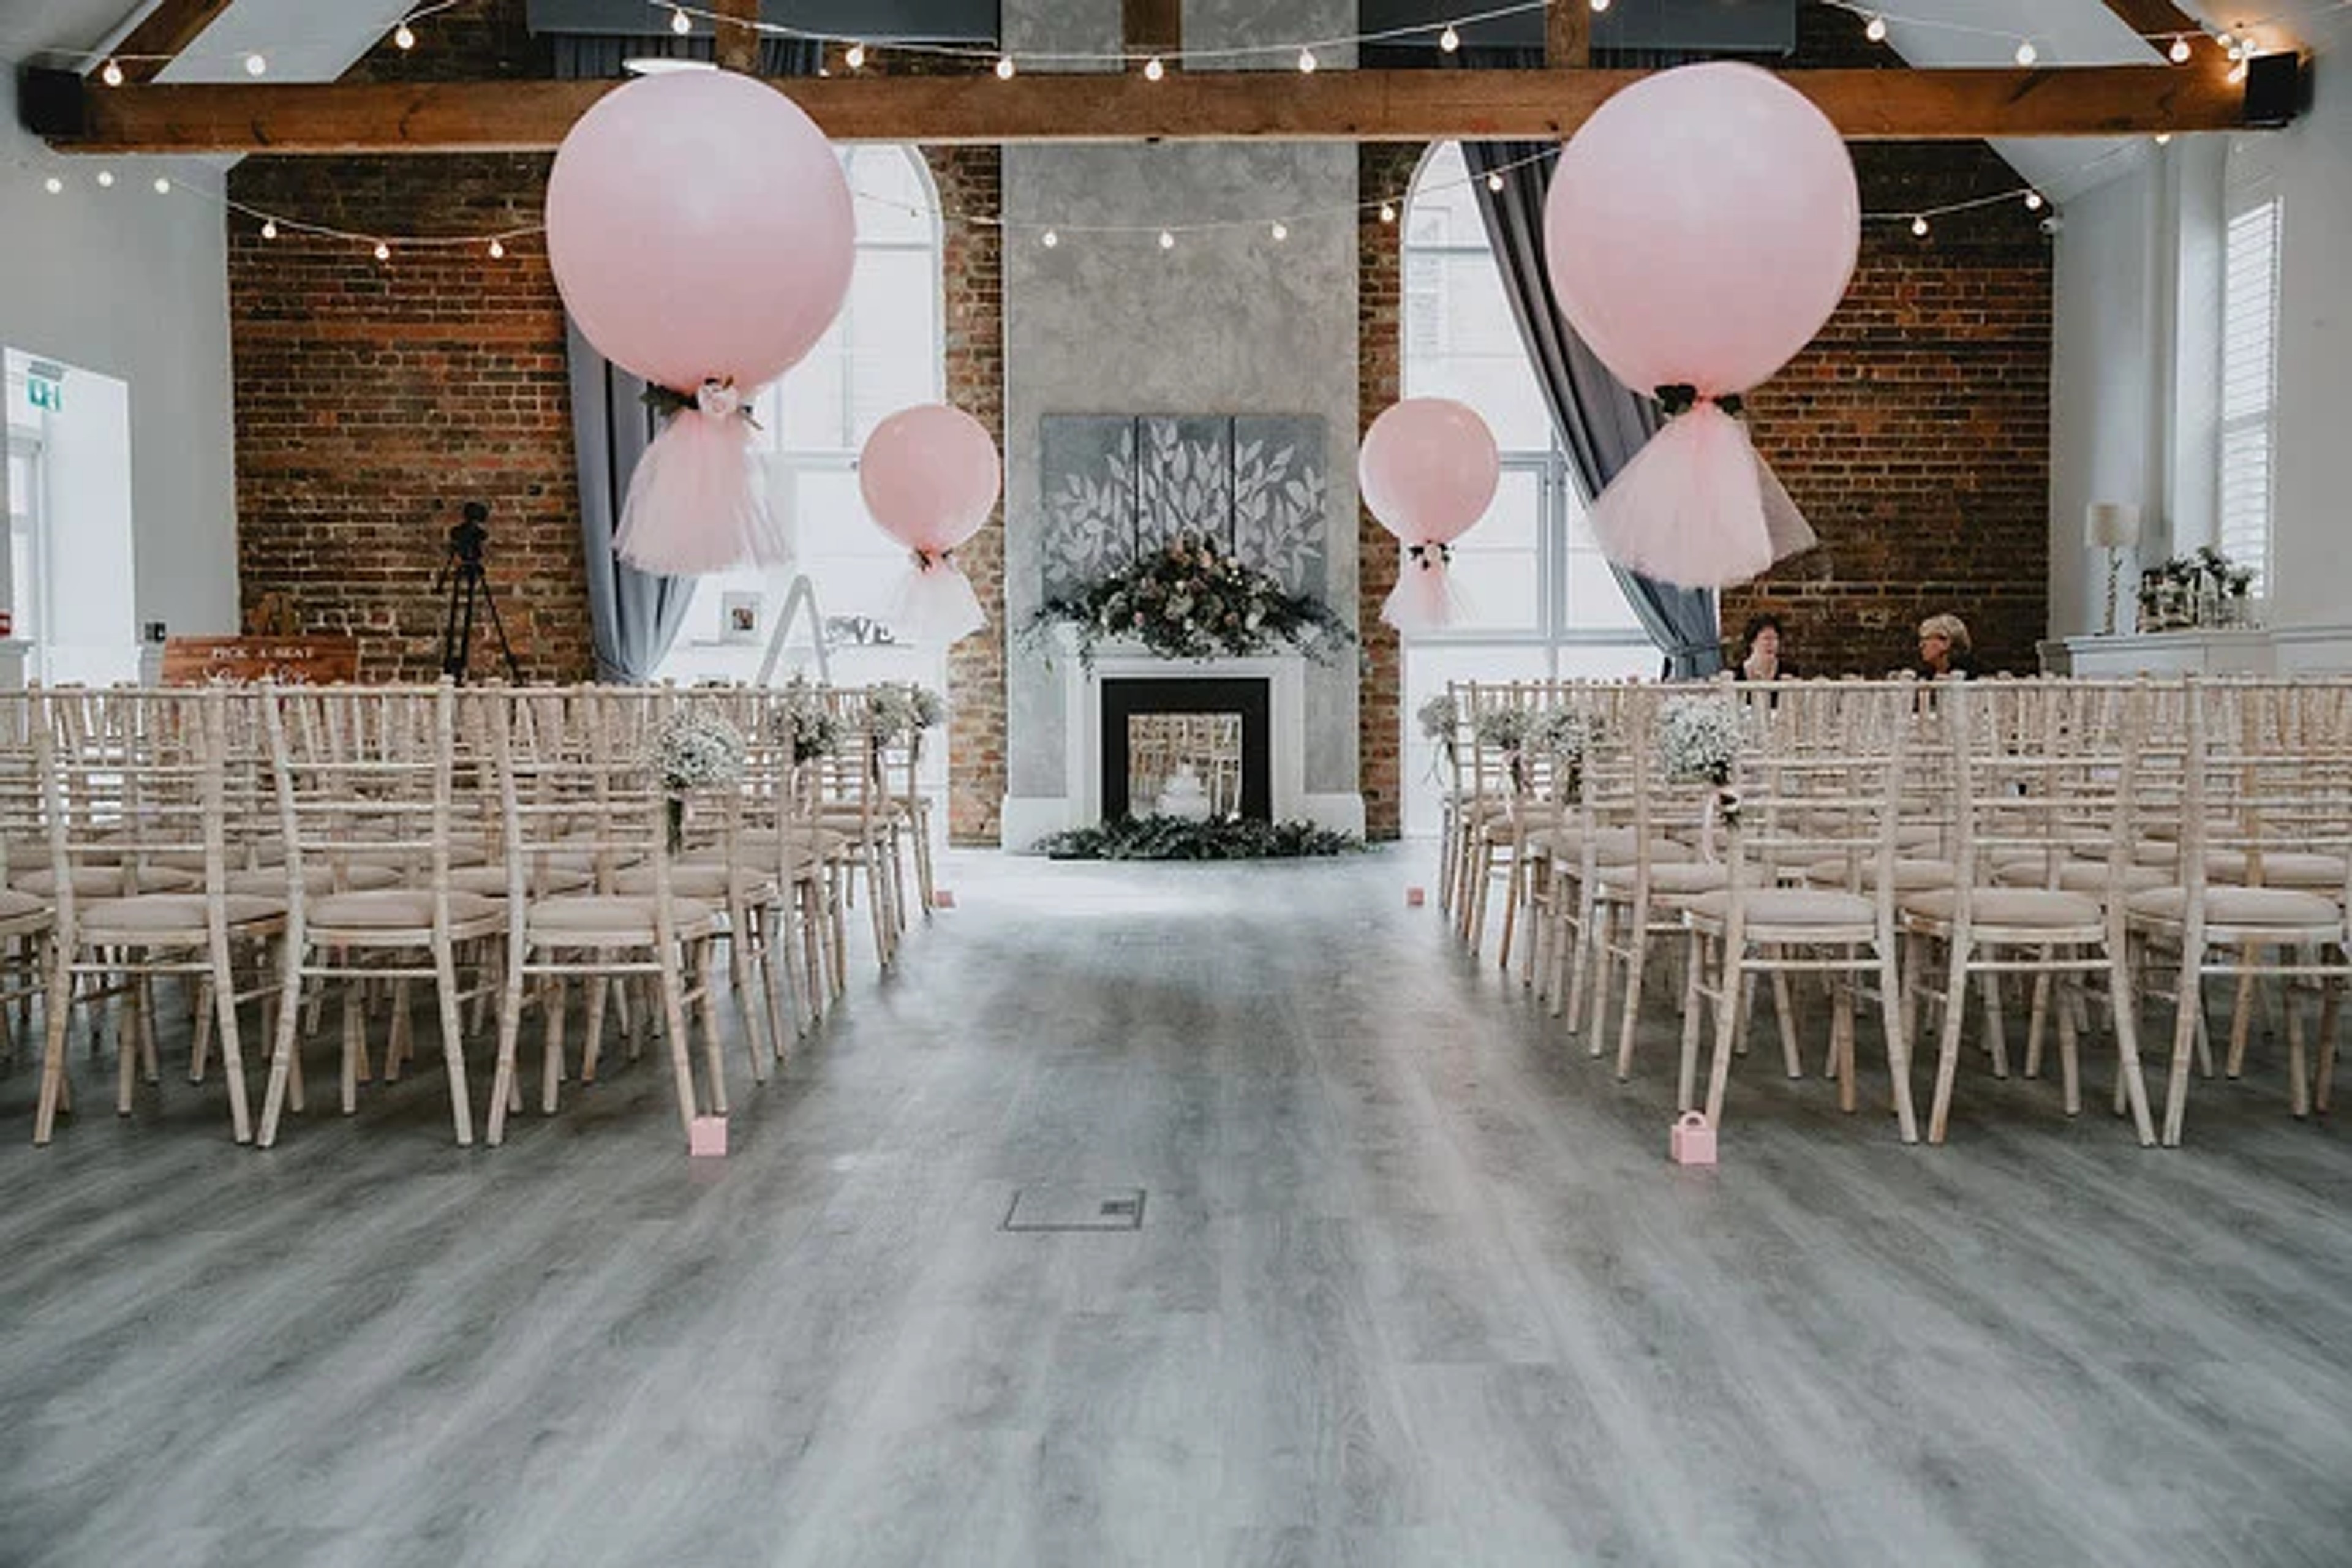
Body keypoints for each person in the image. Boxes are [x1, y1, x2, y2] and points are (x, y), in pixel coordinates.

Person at [1733, 614, 1797, 682]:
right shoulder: (1737, 675)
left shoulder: (1789, 671)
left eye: (1775, 638)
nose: (1771, 644)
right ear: (1752, 643)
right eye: (1766, 638)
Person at [1915, 612, 1977, 679]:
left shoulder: (1971, 680)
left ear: (1946, 643)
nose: (1921, 645)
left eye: (1927, 639)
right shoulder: (1922, 677)